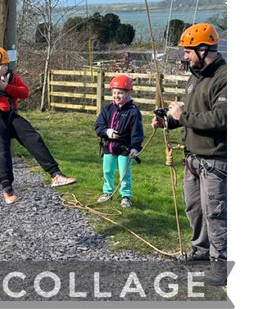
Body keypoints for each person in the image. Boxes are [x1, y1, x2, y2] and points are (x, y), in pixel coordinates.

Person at [153, 23, 226, 274]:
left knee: (216, 214)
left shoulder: (225, 78)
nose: (184, 56)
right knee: (194, 208)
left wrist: (182, 116)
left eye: (188, 51)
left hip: (216, 160)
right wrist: (169, 121)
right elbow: (194, 114)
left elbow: (221, 119)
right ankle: (201, 252)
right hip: (192, 158)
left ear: (204, 49)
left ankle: (220, 266)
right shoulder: (196, 77)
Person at [0, 46, 76, 204]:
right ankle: (7, 188)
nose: (5, 68)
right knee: (1, 149)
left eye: (6, 65)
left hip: (10, 116)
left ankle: (55, 174)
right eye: (1, 65)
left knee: (33, 137)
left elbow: (24, 92)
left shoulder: (11, 77)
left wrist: (6, 87)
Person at [94, 73, 144, 207]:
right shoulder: (107, 109)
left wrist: (135, 148)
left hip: (125, 149)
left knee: (124, 173)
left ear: (128, 93)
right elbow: (99, 126)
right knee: (108, 171)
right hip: (109, 147)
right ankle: (107, 192)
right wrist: (107, 132)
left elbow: (137, 133)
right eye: (114, 92)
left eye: (120, 93)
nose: (116, 96)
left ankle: (126, 196)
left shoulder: (133, 112)